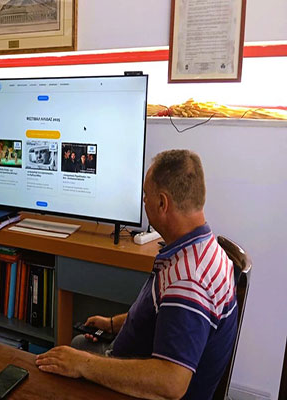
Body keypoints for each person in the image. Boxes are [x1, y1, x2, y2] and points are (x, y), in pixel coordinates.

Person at [36, 150, 238, 400]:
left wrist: (83, 365)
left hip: (144, 389)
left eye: (146, 195)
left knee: (57, 372)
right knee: (78, 344)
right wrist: (114, 324)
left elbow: (171, 383)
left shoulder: (188, 280)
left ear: (162, 203)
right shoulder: (205, 249)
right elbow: (164, 314)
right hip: (135, 353)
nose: (144, 201)